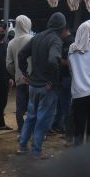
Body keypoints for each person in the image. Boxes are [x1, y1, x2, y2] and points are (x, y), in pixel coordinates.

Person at [17, 12, 66, 159]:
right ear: (62, 27)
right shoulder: (56, 40)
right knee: (43, 119)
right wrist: (53, 81)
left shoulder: (37, 36)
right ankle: (36, 151)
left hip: (33, 84)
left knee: (31, 115)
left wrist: (25, 73)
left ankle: (22, 146)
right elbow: (53, 60)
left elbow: (21, 54)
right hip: (46, 87)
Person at [6, 14, 33, 132]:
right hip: (33, 79)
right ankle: (32, 130)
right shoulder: (32, 39)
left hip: (19, 80)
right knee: (33, 106)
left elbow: (9, 65)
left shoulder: (11, 43)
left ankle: (22, 130)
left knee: (20, 107)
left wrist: (16, 73)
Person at [50, 25, 72, 136]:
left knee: (66, 105)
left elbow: (70, 62)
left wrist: (57, 60)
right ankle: (57, 125)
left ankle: (67, 129)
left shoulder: (70, 42)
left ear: (65, 30)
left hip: (67, 78)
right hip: (61, 78)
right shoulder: (63, 41)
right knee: (59, 104)